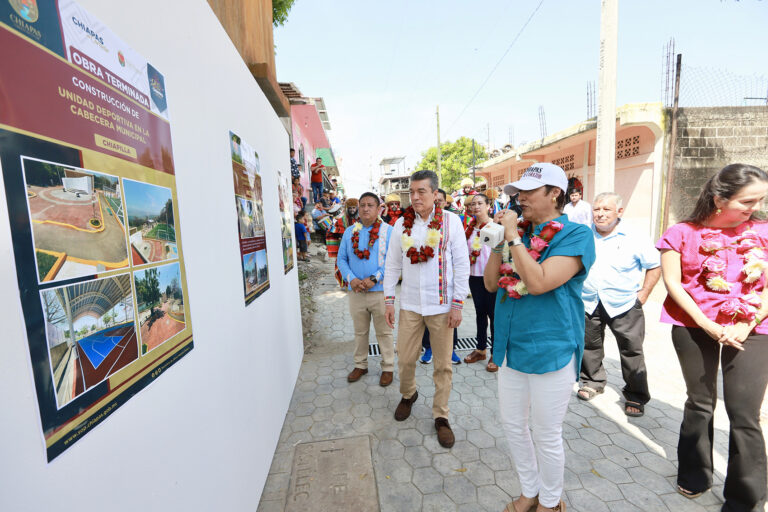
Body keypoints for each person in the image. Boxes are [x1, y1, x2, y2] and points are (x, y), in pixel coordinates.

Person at [657, 163, 768, 509]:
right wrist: (706, 323)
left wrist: (746, 324)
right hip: (694, 325)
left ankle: (746, 496)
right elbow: (673, 284)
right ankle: (695, 473)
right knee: (700, 402)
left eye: (760, 200)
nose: (755, 209)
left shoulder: (763, 232)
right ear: (720, 199)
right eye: (747, 201)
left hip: (753, 327)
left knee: (744, 412)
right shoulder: (681, 233)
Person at [485, 163, 595, 512]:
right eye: (518, 192)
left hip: (551, 349)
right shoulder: (517, 234)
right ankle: (529, 492)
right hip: (510, 347)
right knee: (514, 427)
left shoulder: (575, 235)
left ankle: (550, 502)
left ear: (555, 194)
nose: (520, 198)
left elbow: (538, 282)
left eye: (530, 191)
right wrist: (496, 241)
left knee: (546, 434)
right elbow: (490, 284)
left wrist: (514, 237)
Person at [384, 170, 470, 449]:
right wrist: (388, 300)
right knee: (406, 358)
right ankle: (409, 394)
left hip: (442, 305)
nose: (416, 197)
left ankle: (441, 416)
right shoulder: (400, 225)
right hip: (409, 304)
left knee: (443, 365)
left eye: (422, 191)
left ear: (436, 194)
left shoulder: (451, 222)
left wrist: (458, 303)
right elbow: (393, 265)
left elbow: (461, 263)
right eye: (412, 192)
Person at [577, 192, 661, 417]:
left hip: (624, 303)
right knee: (589, 345)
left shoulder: (634, 236)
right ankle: (592, 381)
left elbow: (654, 265)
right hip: (589, 301)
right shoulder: (584, 234)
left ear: (619, 212)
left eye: (606, 209)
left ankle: (635, 395)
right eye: (597, 209)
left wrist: (643, 294)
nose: (600, 214)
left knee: (631, 349)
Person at [338, 193, 395, 387]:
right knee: (360, 331)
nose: (365, 209)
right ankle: (360, 365)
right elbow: (341, 259)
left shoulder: (389, 231)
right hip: (357, 292)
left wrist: (374, 278)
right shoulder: (349, 232)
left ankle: (388, 367)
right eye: (362, 205)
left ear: (380, 209)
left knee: (384, 332)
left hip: (380, 291)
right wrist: (351, 279)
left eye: (370, 205)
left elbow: (394, 261)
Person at [421, 188, 462, 366]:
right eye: (434, 200)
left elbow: (460, 258)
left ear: (446, 202)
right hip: (426, 284)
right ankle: (428, 348)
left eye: (440, 201)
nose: (437, 203)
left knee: (449, 319)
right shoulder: (419, 222)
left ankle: (450, 349)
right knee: (426, 316)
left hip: (447, 282)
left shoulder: (452, 221)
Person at [462, 194, 498, 372]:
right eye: (473, 204)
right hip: (474, 276)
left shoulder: (494, 226)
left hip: (492, 277)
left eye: (480, 203)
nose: (476, 207)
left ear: (488, 206)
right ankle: (480, 349)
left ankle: (496, 353)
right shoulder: (469, 228)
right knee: (479, 314)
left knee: (494, 316)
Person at [327, 199, 358, 287]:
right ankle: (344, 283)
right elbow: (331, 231)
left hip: (357, 247)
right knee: (342, 264)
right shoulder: (340, 220)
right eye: (350, 208)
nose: (352, 210)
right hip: (344, 247)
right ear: (347, 209)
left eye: (354, 208)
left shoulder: (361, 219)